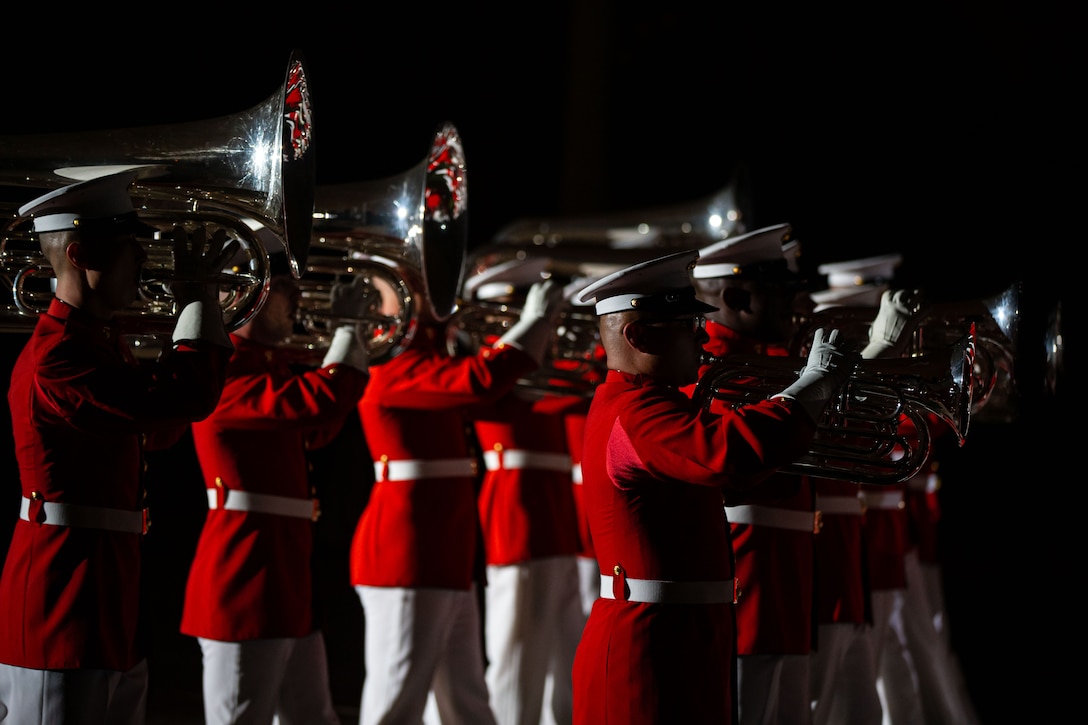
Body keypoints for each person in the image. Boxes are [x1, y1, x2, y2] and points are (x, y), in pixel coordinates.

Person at [571, 249, 857, 725]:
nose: (703, 339)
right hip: (647, 648)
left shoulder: (654, 404)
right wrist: (811, 387)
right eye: (688, 326)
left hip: (686, 638)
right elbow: (726, 454)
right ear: (638, 335)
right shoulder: (634, 411)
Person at [0, 169, 238, 724]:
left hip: (108, 595)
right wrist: (198, 299)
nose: (143, 261)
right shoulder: (58, 357)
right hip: (63, 600)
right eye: (129, 247)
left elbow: (161, 429)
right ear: (81, 254)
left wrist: (196, 318)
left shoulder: (99, 345)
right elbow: (183, 401)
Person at [348, 265, 564, 725]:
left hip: (444, 554)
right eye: (420, 286)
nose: (437, 291)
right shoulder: (393, 364)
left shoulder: (428, 357)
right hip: (407, 557)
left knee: (466, 702)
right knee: (396, 701)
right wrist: (536, 322)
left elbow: (491, 386)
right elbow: (481, 380)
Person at [179, 242, 372, 725]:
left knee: (313, 716)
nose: (299, 300)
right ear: (248, 296)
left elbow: (319, 429)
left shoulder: (269, 364)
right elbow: (319, 403)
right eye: (284, 289)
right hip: (244, 578)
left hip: (285, 576)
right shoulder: (220, 371)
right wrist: (346, 331)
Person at [688, 223, 824, 725]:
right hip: (749, 588)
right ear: (738, 296)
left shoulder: (766, 364)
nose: (797, 308)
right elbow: (751, 458)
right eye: (781, 296)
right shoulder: (714, 372)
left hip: (786, 585)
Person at [459, 258, 585, 725]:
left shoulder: (542, 374)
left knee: (563, 661)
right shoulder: (496, 372)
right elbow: (500, 385)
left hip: (555, 523)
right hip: (519, 522)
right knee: (516, 664)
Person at [804, 260, 911, 725]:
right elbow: (826, 431)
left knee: (861, 710)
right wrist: (878, 352)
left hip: (848, 564)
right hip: (818, 565)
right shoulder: (783, 358)